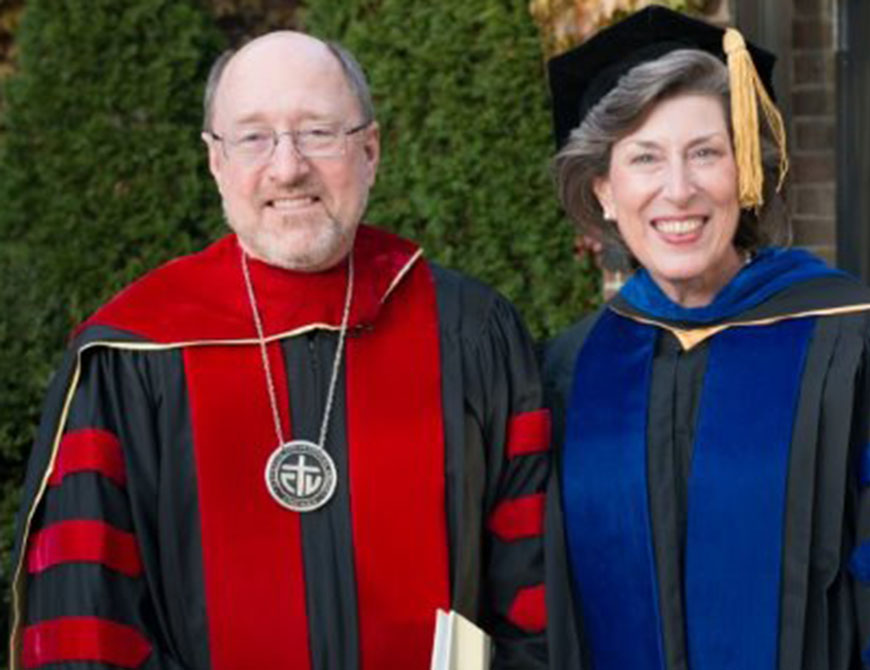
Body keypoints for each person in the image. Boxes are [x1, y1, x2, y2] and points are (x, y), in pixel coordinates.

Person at [9, 32, 548, 670]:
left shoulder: (470, 331)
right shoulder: (130, 355)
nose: (288, 167)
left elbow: (535, 599)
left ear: (370, 150)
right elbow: (85, 628)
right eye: (253, 137)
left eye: (319, 132)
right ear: (215, 161)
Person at [542, 7, 870, 670]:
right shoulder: (570, 368)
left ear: (747, 173)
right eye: (645, 158)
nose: (679, 190)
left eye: (706, 153)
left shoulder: (864, 347)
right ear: (605, 191)